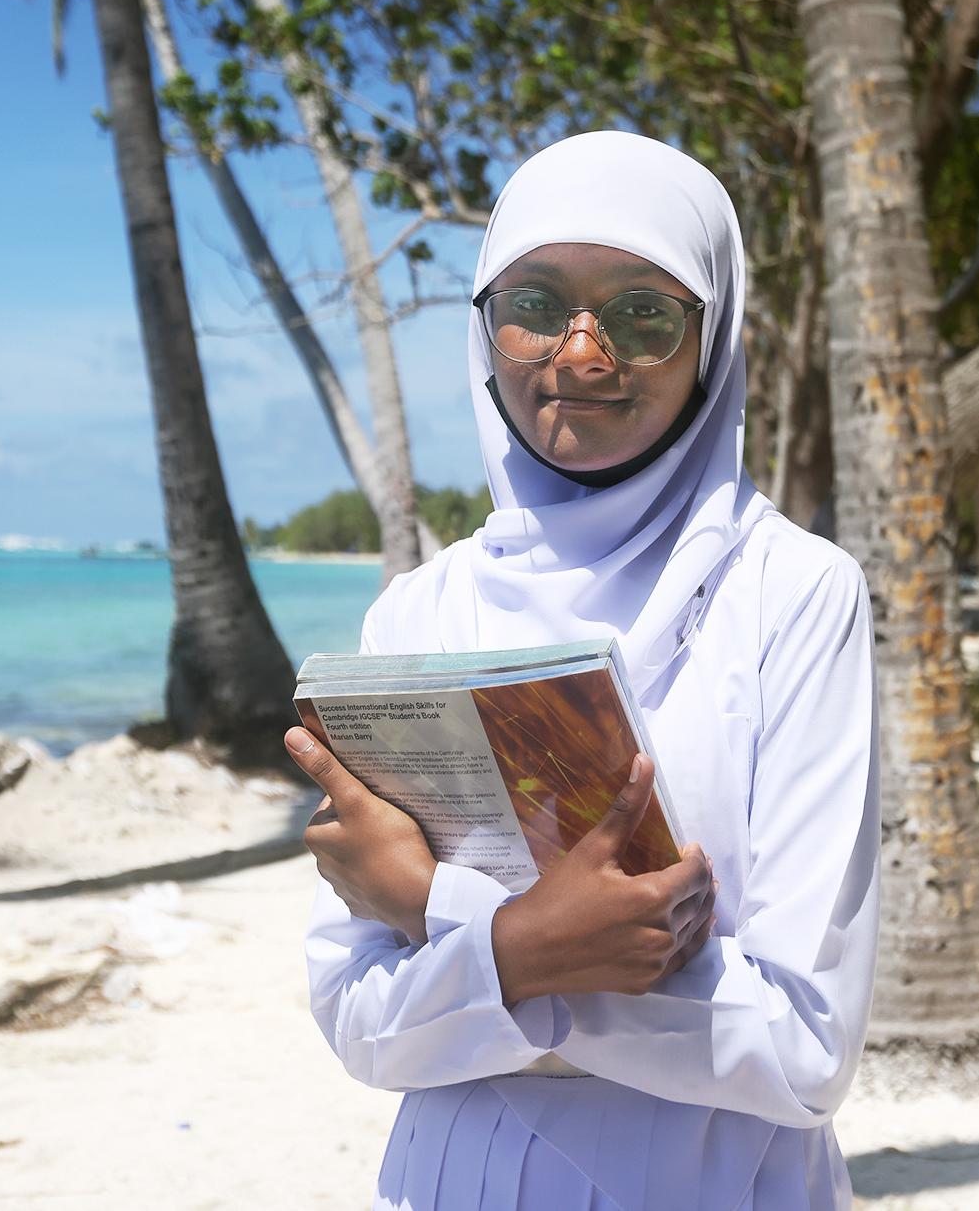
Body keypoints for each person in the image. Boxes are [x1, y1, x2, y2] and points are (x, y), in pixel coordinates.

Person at [287, 131, 880, 1210]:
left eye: (643, 314)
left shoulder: (791, 594)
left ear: (715, 339)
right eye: (535, 302)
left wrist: (459, 924)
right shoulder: (420, 611)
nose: (580, 353)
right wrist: (529, 951)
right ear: (484, 326)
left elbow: (802, 1045)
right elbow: (353, 1014)